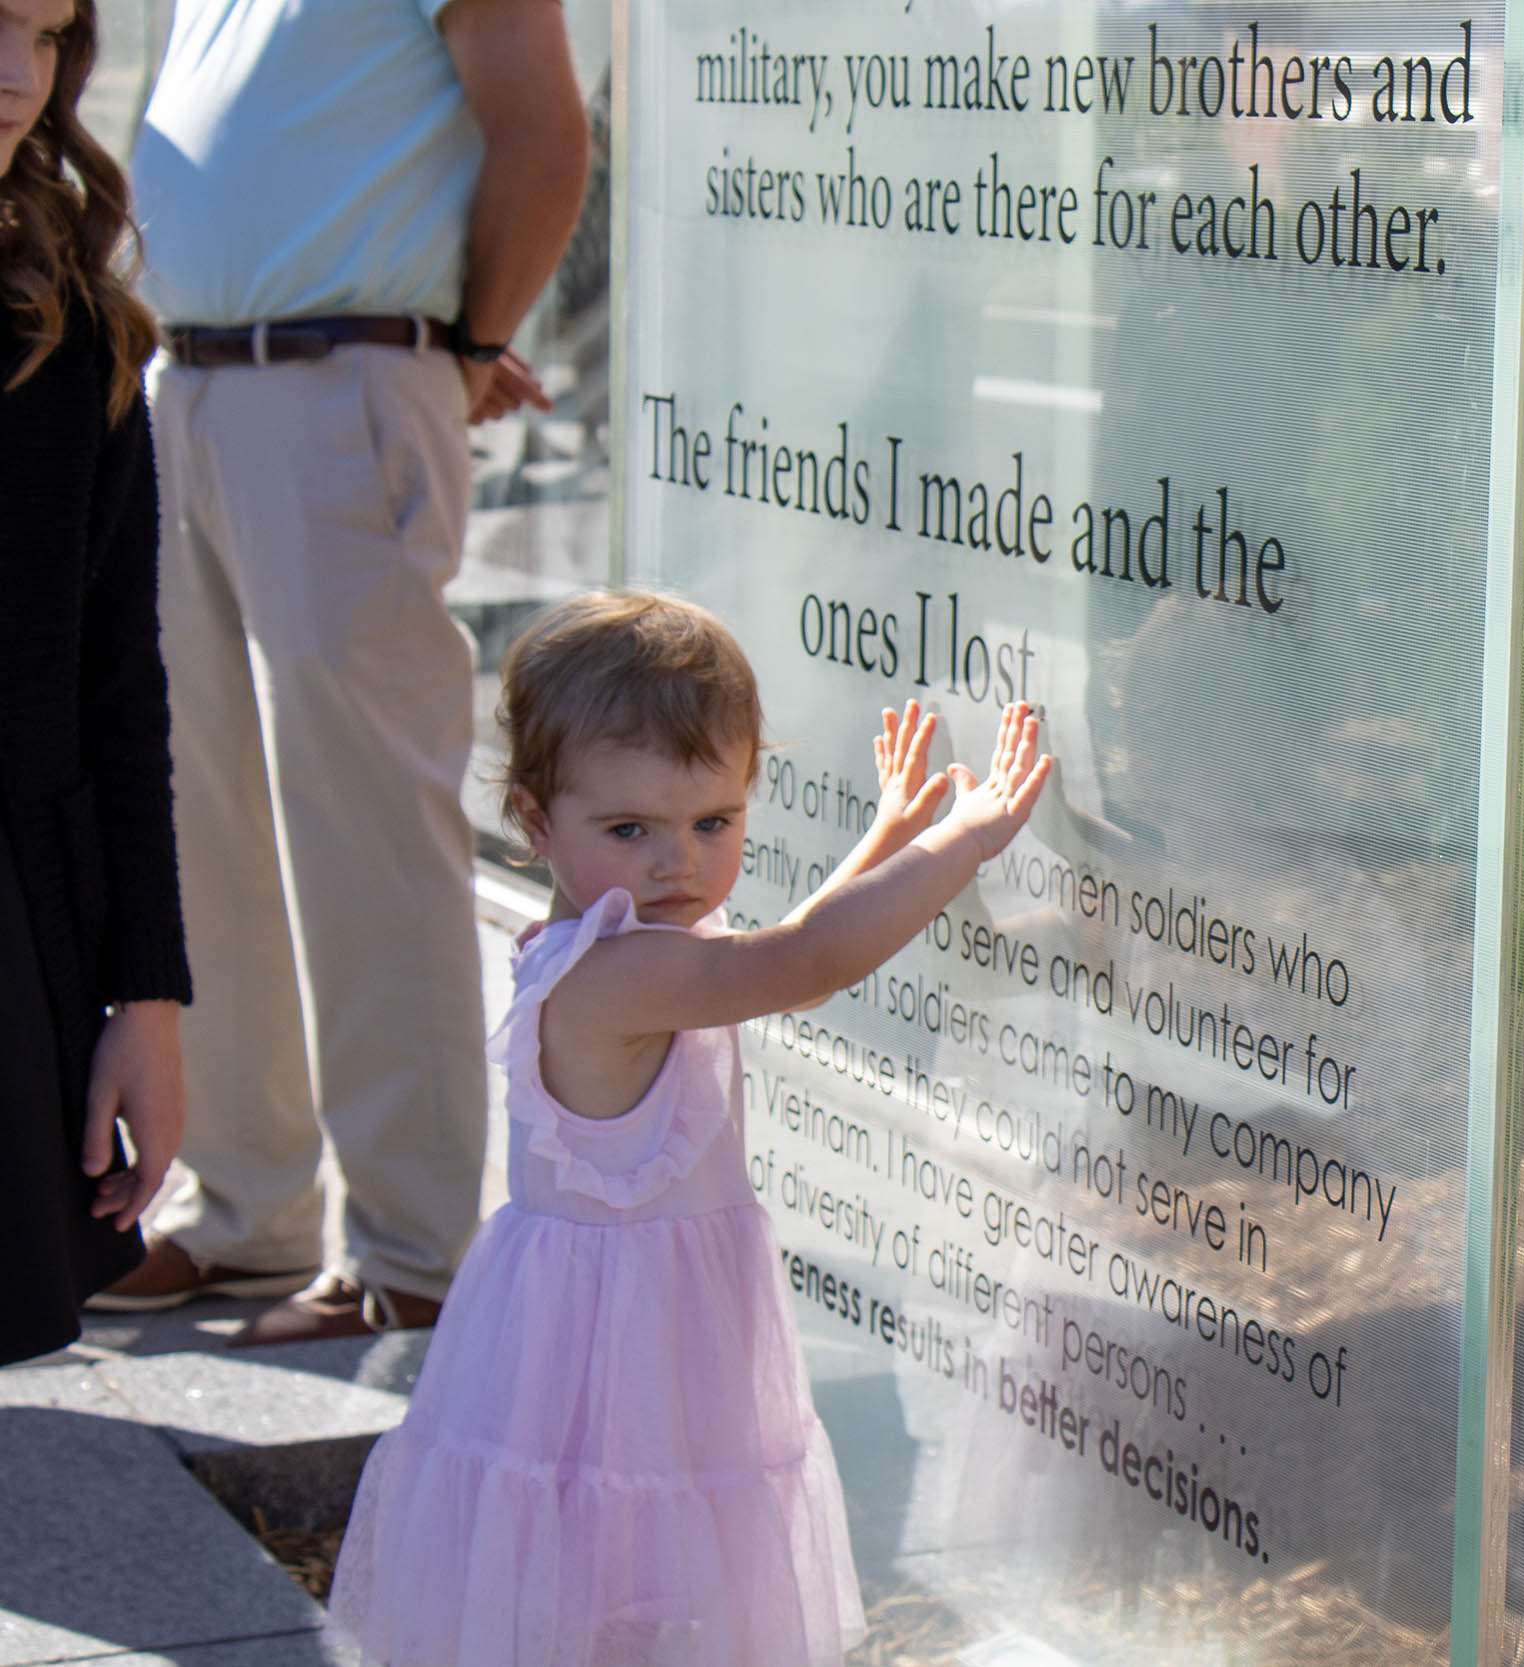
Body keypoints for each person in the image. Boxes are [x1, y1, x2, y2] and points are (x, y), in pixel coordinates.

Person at [327, 591, 1052, 1665]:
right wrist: (960, 842)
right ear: (534, 821)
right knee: (621, 1566)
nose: (679, 862)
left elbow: (785, 948)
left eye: (714, 821)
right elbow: (797, 963)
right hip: (621, 1345)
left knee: (620, 1579)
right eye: (631, 829)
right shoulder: (623, 970)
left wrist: (887, 835)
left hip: (617, 1322)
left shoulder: (608, 935)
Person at [96, 0, 593, 1342]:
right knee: (198, 819)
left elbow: (547, 142)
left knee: (367, 824)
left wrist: (470, 342)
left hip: (338, 379)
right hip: (180, 389)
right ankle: (243, 1207)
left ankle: (413, 1244)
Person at [0, 0, 192, 1367]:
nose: (22, 74)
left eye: (51, 32)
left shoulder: (73, 326)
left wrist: (147, 994)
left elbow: (121, 684)